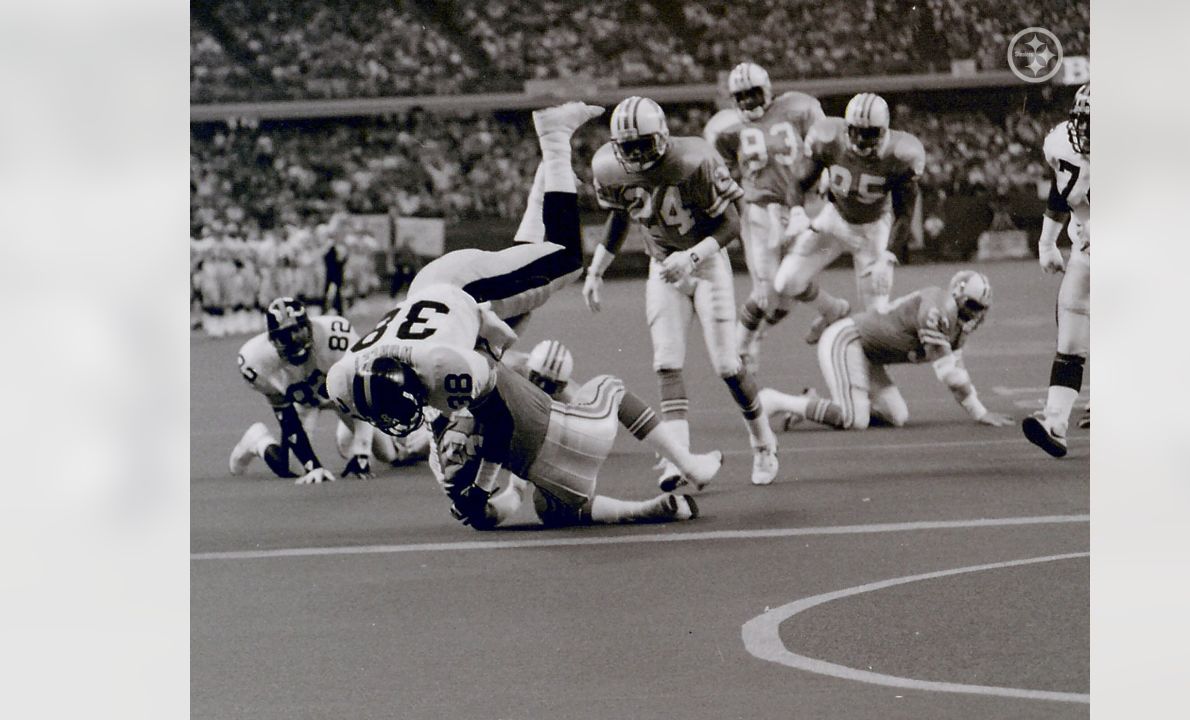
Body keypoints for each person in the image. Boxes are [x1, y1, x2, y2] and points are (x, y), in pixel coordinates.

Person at [583, 95, 780, 487]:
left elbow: (731, 224)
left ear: (663, 136)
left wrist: (691, 257)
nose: (637, 154)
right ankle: (678, 459)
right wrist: (596, 270)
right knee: (666, 362)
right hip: (663, 267)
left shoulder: (694, 159)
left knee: (726, 364)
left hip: (705, 264)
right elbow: (619, 217)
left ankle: (764, 443)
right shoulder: (609, 168)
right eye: (630, 146)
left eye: (644, 143)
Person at [424, 342, 719, 530]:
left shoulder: (449, 432)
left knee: (546, 502)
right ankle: (687, 465)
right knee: (609, 386)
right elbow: (499, 431)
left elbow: (508, 497)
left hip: (555, 473)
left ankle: (648, 501)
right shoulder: (491, 373)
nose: (541, 384)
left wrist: (481, 508)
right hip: (580, 440)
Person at [711, 62, 850, 372]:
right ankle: (741, 349)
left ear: (767, 90)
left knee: (787, 289)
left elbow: (828, 143)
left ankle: (831, 309)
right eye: (741, 96)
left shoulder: (799, 107)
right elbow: (721, 174)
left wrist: (828, 174)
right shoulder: (725, 129)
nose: (747, 101)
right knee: (765, 293)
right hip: (760, 211)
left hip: (804, 206)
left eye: (752, 94)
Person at [759, 271, 1013, 431]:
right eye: (971, 305)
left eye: (981, 308)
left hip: (867, 354)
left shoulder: (957, 326)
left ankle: (811, 404)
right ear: (956, 296)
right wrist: (980, 412)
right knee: (854, 419)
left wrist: (978, 409)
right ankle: (774, 401)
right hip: (849, 339)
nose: (975, 313)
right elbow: (950, 375)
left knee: (896, 416)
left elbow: (955, 366)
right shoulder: (939, 307)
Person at [775, 93, 926, 317]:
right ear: (847, 128)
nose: (862, 139)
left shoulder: (901, 154)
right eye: (856, 131)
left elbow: (904, 214)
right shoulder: (828, 138)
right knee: (787, 282)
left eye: (870, 132)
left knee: (876, 316)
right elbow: (799, 182)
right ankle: (833, 310)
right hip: (832, 223)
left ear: (884, 130)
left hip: (872, 233)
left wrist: (889, 255)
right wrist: (797, 212)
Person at [229, 297, 397, 484]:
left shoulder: (336, 336)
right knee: (291, 468)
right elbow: (286, 416)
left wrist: (362, 453)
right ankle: (257, 440)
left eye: (298, 331)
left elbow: (364, 393)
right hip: (304, 404)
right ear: (273, 339)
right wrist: (313, 466)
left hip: (344, 398)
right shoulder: (256, 360)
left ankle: (348, 432)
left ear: (309, 327)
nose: (294, 340)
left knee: (388, 454)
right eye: (285, 335)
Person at [1022, 84, 1091, 458]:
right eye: (1085, 123)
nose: (1086, 133)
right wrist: (1047, 241)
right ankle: (1055, 423)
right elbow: (1062, 187)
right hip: (1088, 252)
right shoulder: (1062, 144)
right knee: (1070, 334)